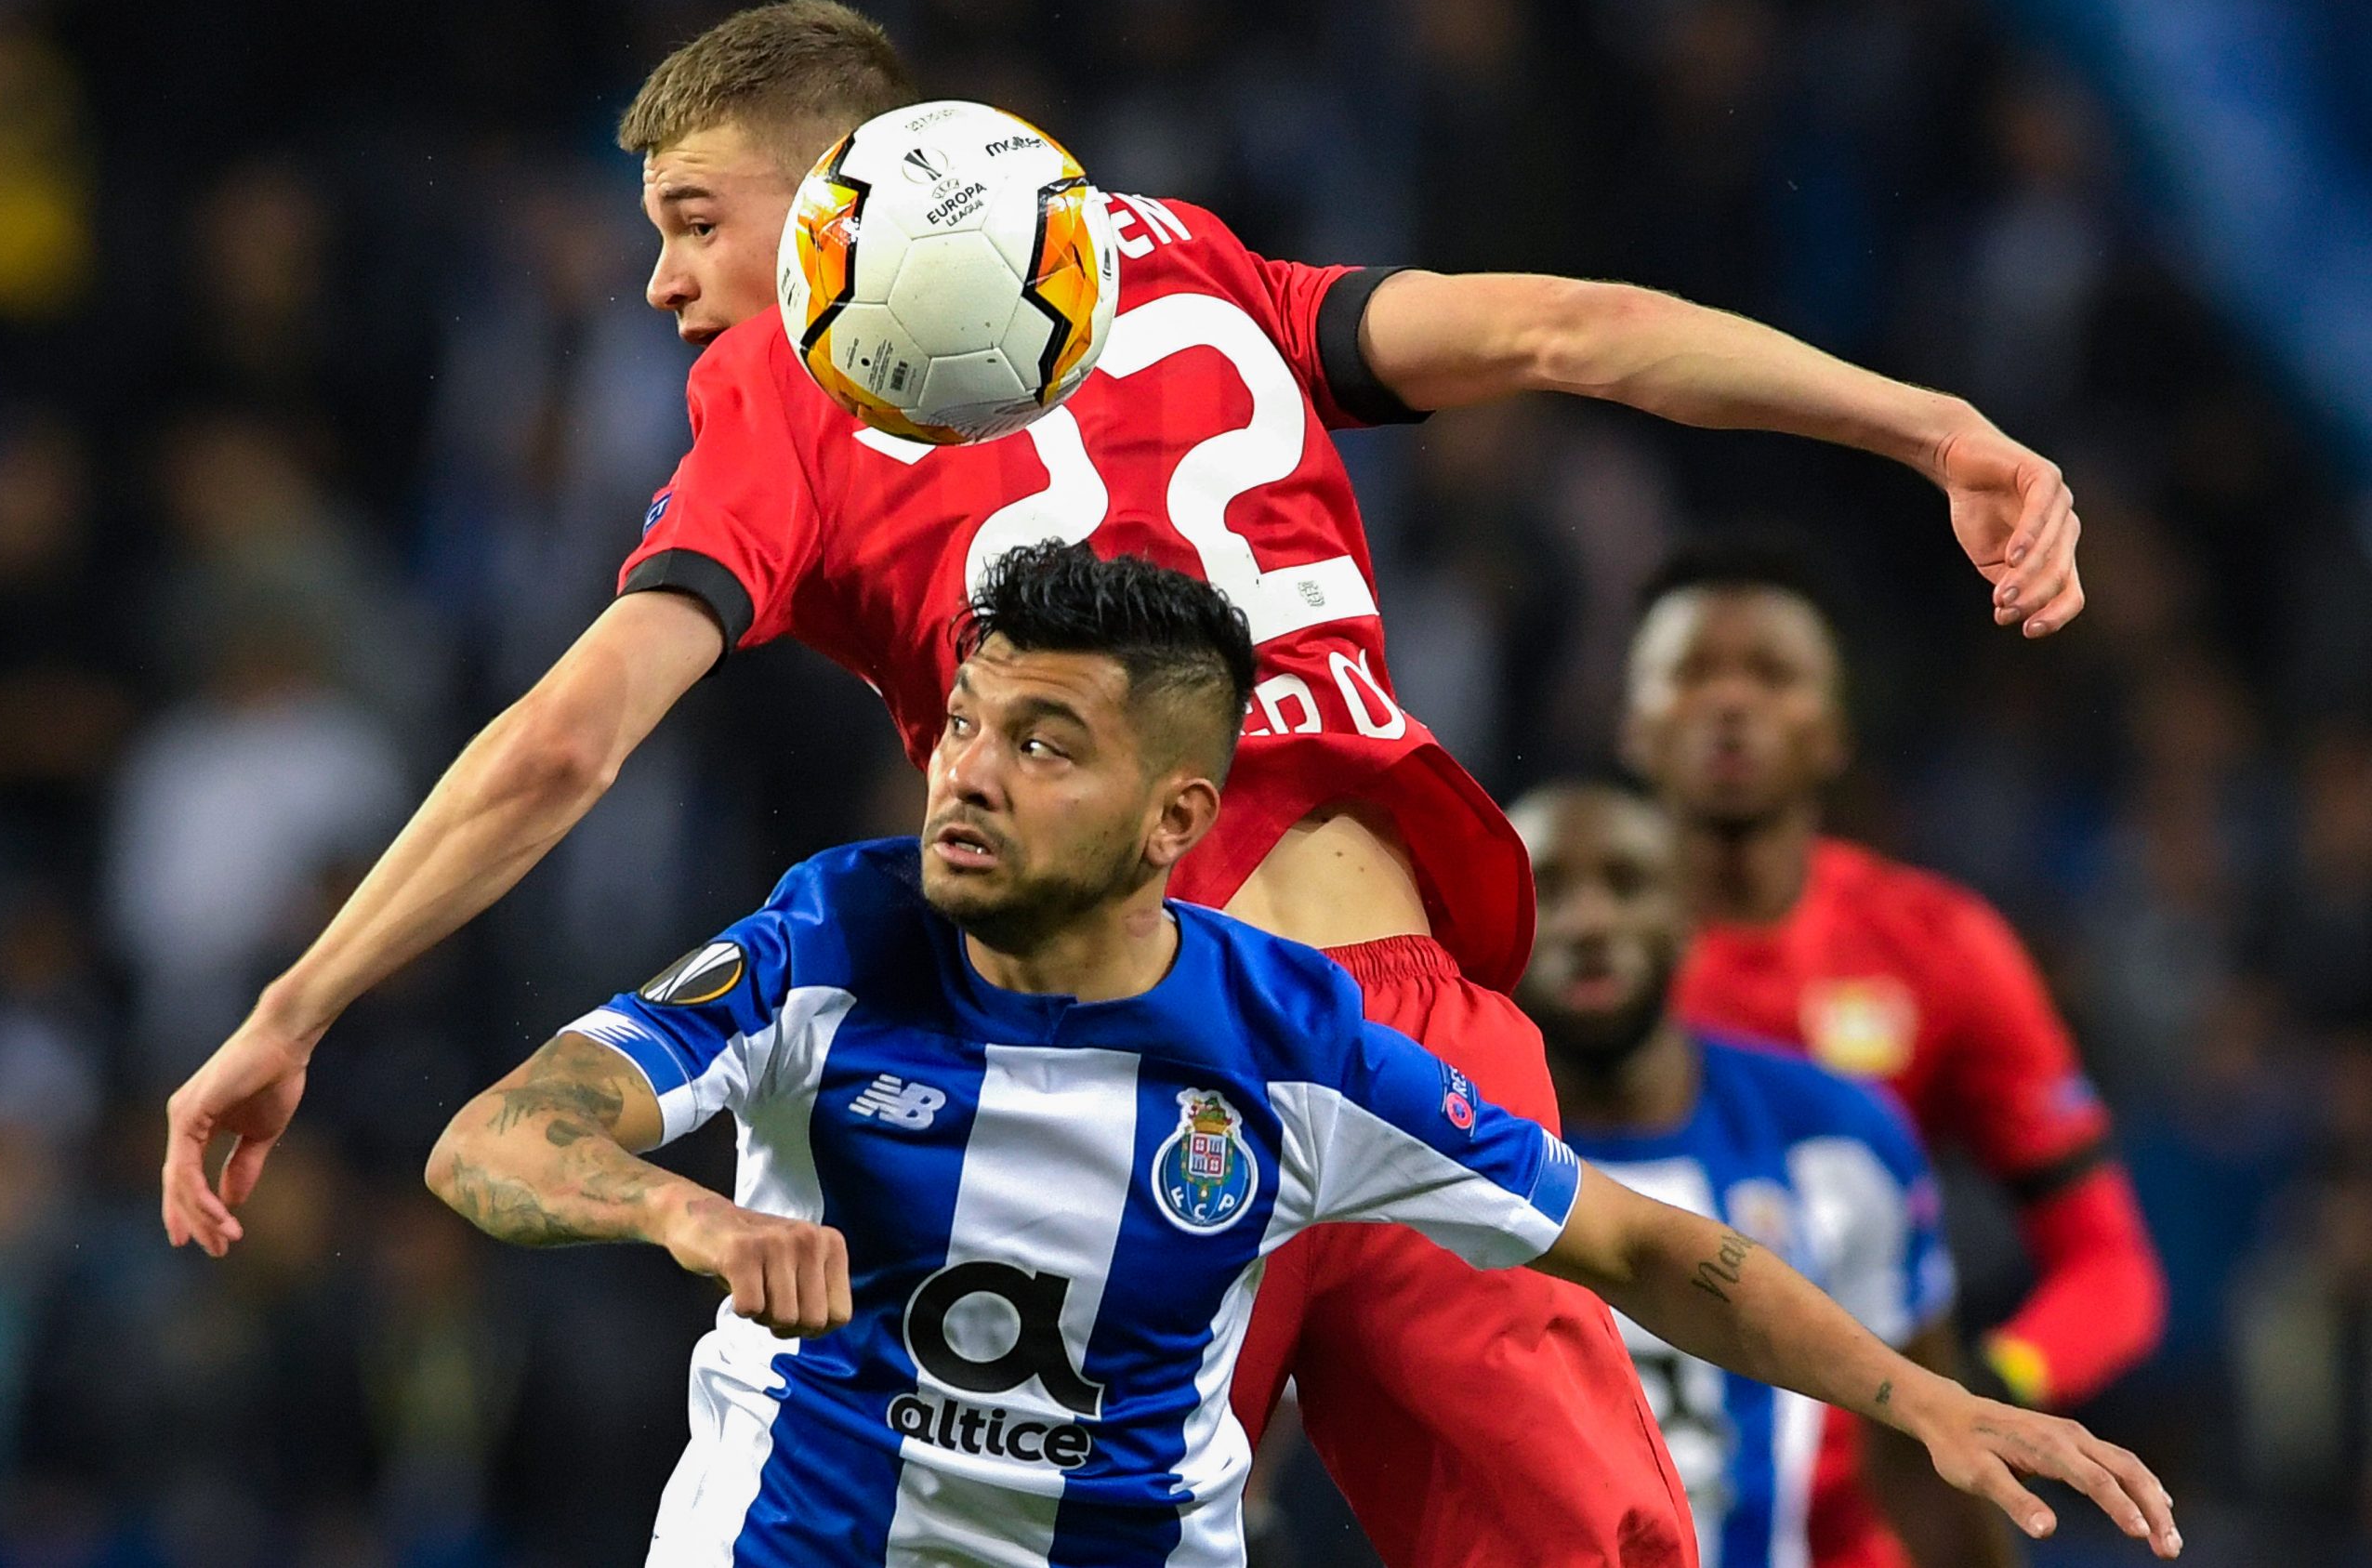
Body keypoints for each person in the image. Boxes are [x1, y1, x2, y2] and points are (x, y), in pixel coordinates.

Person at [165, 1, 2089, 1566]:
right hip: (1408, 1049)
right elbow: (1560, 330)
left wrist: (293, 1003)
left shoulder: (788, 377)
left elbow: (573, 732)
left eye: (690, 218)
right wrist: (1929, 425)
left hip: (1122, 1076)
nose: (666, 286)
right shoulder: (1171, 254)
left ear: (847, 188)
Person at [425, 543, 2178, 1567]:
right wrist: (690, 1223)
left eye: (1045, 744)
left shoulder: (1295, 1046)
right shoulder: (831, 934)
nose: (965, 770)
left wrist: (1931, 1397)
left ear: (1179, 816)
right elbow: (498, 1138)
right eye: (967, 721)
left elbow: (1646, 1246)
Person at [1620, 536, 2168, 1568]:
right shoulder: (1538, 956)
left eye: (1772, 674)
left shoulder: (1936, 947)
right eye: (1692, 672)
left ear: (1831, 731)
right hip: (1608, 1498)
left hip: (1857, 1525)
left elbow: (2111, 1267)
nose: (1729, 702)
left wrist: (1982, 1388)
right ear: (1632, 721)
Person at [1511, 781, 2019, 1568]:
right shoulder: (1421, 1145)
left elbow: (1918, 1459)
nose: (1589, 922)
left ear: (1687, 919)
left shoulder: (1838, 1137)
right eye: (1548, 889)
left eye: (1626, 883)